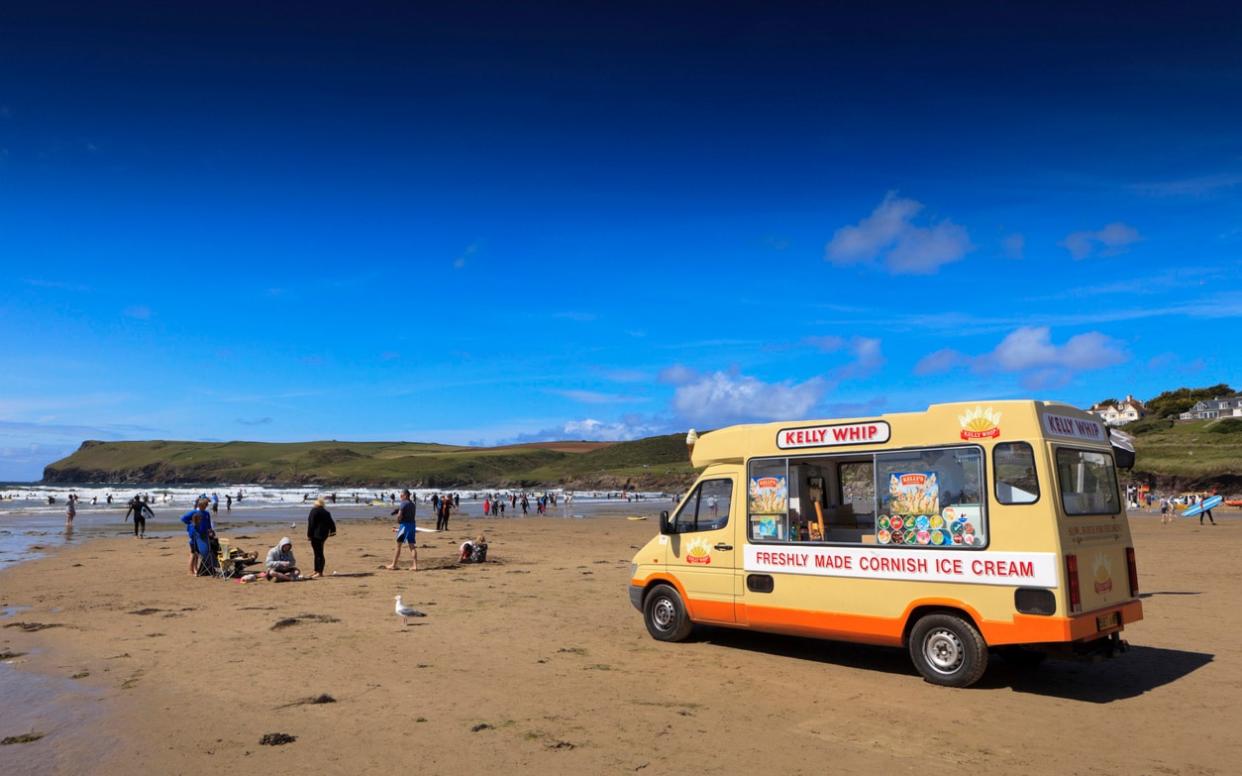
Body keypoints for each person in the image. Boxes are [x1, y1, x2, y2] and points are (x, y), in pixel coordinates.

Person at [180, 498, 214, 575]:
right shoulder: (194, 512)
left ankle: (196, 568)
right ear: (200, 505)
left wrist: (210, 531)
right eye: (204, 505)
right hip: (194, 536)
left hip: (203, 535)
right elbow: (183, 518)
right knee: (193, 553)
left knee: (197, 553)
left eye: (206, 505)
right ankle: (190, 570)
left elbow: (208, 524)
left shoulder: (206, 513)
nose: (206, 506)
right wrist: (191, 523)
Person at [387, 489, 418, 571]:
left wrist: (398, 521)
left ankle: (393, 565)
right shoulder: (413, 504)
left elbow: (399, 515)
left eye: (401, 495)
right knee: (412, 546)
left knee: (398, 546)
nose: (400, 497)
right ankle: (415, 566)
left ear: (405, 495)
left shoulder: (403, 503)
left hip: (404, 526)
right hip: (412, 525)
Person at [306, 498, 336, 578]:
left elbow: (311, 523)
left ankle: (319, 572)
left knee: (318, 553)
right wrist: (333, 531)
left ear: (316, 504)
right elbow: (331, 522)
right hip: (324, 534)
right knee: (319, 552)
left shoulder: (314, 511)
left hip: (316, 535)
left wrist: (309, 535)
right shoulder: (326, 512)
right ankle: (316, 571)